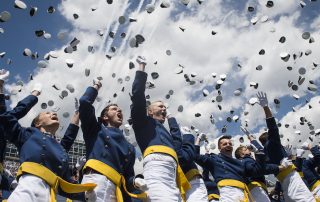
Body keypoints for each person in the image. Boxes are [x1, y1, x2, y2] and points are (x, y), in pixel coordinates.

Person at [0, 84, 95, 202]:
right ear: (38, 124)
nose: (54, 114)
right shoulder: (27, 135)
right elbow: (6, 118)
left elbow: (69, 136)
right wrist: (33, 95)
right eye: (47, 113)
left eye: (53, 113)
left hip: (51, 196)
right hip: (27, 192)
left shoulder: (60, 149)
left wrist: (77, 112)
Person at [131, 56, 190, 201]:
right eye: (160, 106)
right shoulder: (142, 122)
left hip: (173, 171)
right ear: (150, 111)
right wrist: (142, 67)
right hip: (157, 166)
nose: (164, 108)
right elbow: (138, 96)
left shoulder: (165, 132)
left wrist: (171, 119)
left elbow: (177, 142)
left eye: (165, 107)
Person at [79, 80, 147, 202]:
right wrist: (96, 87)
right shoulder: (95, 130)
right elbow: (84, 103)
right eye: (114, 109)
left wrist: (136, 181)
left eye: (120, 110)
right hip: (95, 182)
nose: (119, 111)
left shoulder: (130, 148)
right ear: (105, 117)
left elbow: (128, 178)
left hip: (116, 191)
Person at [256, 91, 315, 202]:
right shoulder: (272, 143)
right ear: (270, 138)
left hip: (284, 185)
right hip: (293, 180)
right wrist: (265, 107)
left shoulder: (263, 153)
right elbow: (272, 126)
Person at [168, 117, 208, 201]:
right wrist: (188, 136)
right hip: (178, 185)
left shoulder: (183, 149)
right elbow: (185, 156)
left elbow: (193, 155)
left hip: (192, 182)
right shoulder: (174, 148)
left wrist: (197, 139)